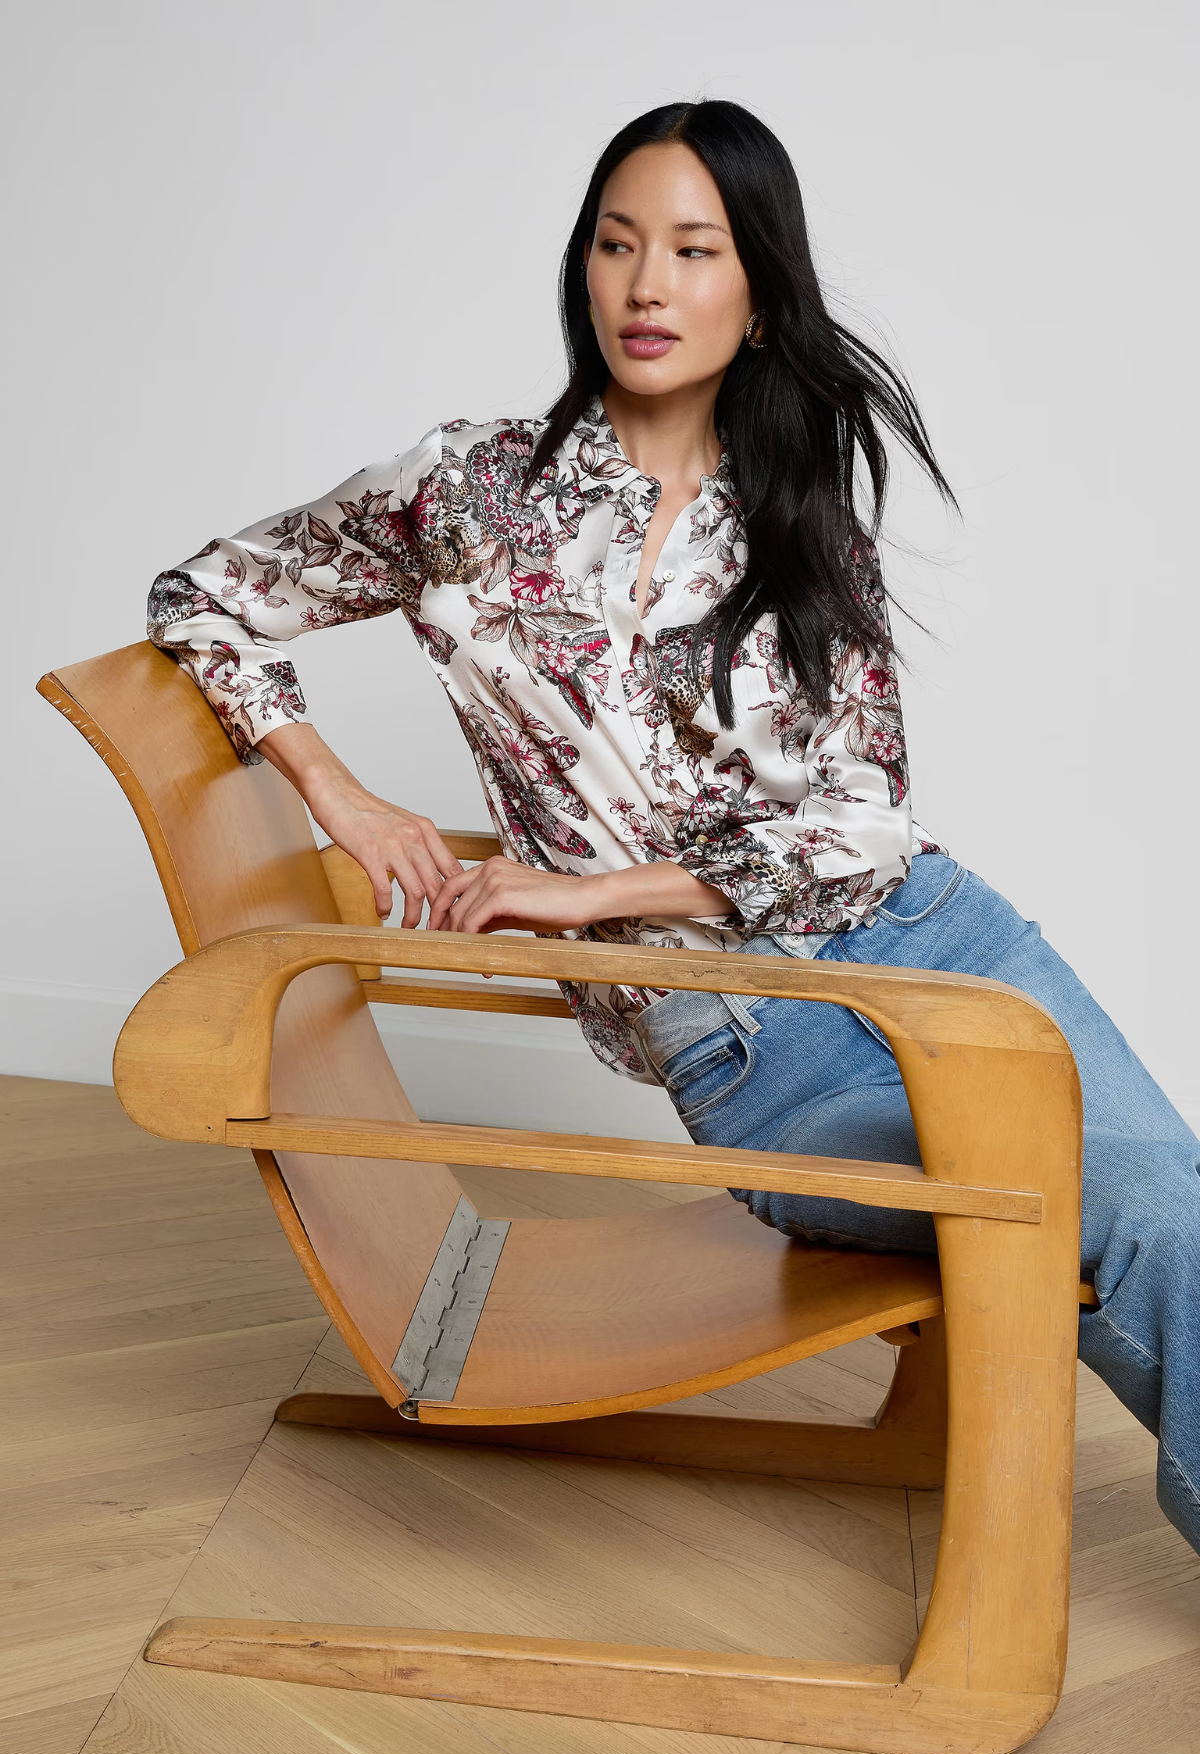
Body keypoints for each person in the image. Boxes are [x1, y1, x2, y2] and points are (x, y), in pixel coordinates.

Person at [147, 99, 1200, 1552]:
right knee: (1140, 1203)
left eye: (695, 250)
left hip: (944, 948)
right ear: (583, 270)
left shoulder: (800, 517)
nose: (648, 286)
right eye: (618, 243)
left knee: (1179, 1206)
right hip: (757, 1052)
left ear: (758, 296)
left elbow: (859, 830)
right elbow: (202, 596)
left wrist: (582, 900)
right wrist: (343, 789)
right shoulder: (468, 490)